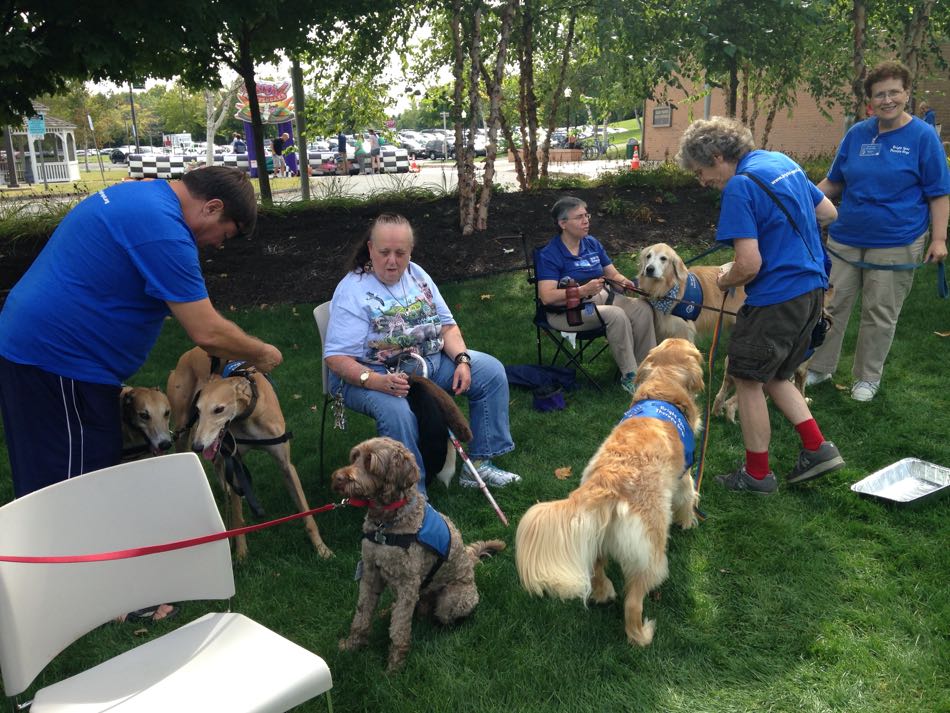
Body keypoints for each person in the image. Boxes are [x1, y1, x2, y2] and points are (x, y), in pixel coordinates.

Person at [676, 116, 843, 494]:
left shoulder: (739, 187)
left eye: (701, 171)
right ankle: (818, 448)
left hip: (776, 296)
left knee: (748, 378)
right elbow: (828, 213)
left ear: (718, 156)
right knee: (776, 375)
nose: (702, 181)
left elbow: (749, 265)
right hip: (811, 291)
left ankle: (756, 475)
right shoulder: (781, 161)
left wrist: (723, 279)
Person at [323, 213, 520, 493]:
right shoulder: (352, 290)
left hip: (428, 364)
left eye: (400, 253)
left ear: (410, 251)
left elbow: (448, 328)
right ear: (370, 249)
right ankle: (413, 494)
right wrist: (376, 381)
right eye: (384, 252)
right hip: (370, 375)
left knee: (489, 372)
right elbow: (336, 358)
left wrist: (462, 360)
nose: (393, 261)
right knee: (397, 413)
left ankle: (481, 464)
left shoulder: (417, 275)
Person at [806, 61, 949, 402]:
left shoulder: (922, 137)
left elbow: (939, 192)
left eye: (894, 92)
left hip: (896, 239)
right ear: (870, 99)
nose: (887, 100)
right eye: (879, 94)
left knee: (879, 312)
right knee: (831, 304)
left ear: (907, 94)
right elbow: (834, 181)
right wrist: (800, 199)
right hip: (845, 237)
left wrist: (940, 238)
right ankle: (820, 367)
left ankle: (867, 378)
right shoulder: (857, 134)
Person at [535, 196, 657, 394]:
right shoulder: (550, 254)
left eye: (586, 215)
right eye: (579, 217)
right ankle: (630, 377)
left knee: (642, 308)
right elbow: (546, 297)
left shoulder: (591, 243)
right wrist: (582, 291)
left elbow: (612, 274)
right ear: (563, 223)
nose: (586, 221)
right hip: (567, 312)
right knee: (616, 315)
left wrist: (623, 282)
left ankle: (649, 371)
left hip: (602, 298)